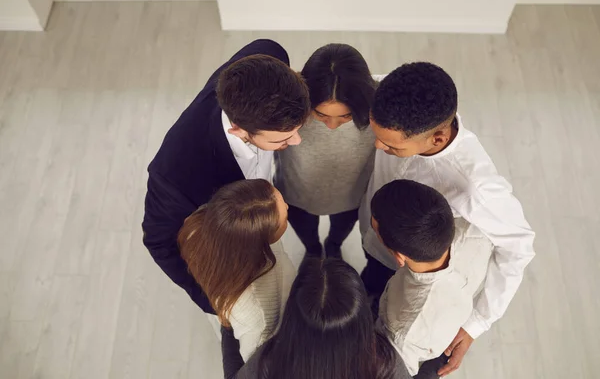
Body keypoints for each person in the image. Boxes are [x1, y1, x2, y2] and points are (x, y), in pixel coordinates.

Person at [359, 62, 535, 376]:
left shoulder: (476, 188)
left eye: (391, 146)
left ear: (437, 139)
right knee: (370, 284)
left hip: (415, 270)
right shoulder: (391, 100)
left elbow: (519, 247)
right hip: (377, 241)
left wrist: (476, 324)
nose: (377, 147)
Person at [142, 39, 310, 313]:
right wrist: (217, 302)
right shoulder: (175, 175)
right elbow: (159, 243)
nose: (297, 141)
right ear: (239, 131)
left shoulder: (269, 53)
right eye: (283, 138)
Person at [371, 179, 493, 377]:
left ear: (399, 257)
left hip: (419, 352)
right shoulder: (474, 229)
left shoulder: (403, 329)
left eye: (374, 228)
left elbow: (399, 369)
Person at [221, 257, 412, 379]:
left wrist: (228, 323)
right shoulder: (384, 361)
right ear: (362, 316)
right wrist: (437, 360)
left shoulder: (270, 360)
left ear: (292, 316)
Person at [275, 43, 382, 258]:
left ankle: (333, 247)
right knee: (306, 233)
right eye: (321, 115)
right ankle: (312, 251)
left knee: (339, 232)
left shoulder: (380, 105)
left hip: (351, 192)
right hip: (297, 189)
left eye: (346, 116)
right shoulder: (285, 103)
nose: (332, 125)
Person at [179, 179, 296, 361]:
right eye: (283, 220)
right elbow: (252, 358)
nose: (287, 207)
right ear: (258, 241)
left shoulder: (206, 223)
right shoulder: (258, 315)